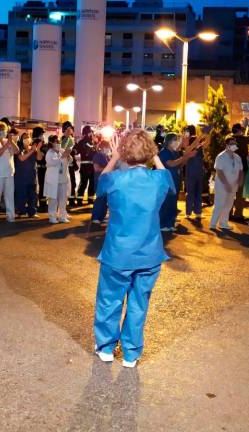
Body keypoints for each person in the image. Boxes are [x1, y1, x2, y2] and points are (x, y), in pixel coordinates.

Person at [93, 129, 174, 368]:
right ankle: (131, 353)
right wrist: (154, 154)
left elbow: (101, 184)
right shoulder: (158, 180)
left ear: (124, 153)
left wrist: (116, 155)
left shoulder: (115, 180)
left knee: (110, 300)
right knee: (139, 303)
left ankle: (106, 348)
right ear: (149, 153)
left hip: (118, 252)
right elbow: (166, 176)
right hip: (149, 254)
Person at [210, 135, 243, 230]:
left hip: (233, 186)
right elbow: (219, 172)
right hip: (222, 186)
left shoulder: (237, 157)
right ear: (227, 145)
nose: (234, 145)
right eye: (232, 144)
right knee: (219, 204)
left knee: (228, 205)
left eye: (235, 143)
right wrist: (226, 184)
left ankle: (223, 223)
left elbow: (240, 170)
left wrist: (240, 180)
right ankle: (213, 224)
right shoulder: (221, 157)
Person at [231, 122, 249, 221]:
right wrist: (248, 126)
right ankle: (238, 214)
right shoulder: (243, 139)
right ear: (239, 131)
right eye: (242, 130)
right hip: (242, 170)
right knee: (240, 193)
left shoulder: (229, 139)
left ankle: (228, 213)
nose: (243, 131)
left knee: (231, 192)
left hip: (231, 170)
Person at [44, 135, 72, 224]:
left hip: (63, 179)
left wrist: (68, 156)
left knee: (63, 199)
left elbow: (70, 160)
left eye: (59, 141)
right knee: (53, 199)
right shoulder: (49, 153)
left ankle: (62, 216)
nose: (58, 143)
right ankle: (52, 217)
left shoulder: (61, 151)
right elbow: (53, 162)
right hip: (53, 180)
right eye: (56, 141)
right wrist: (63, 157)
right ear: (51, 143)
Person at [14, 132, 42, 218]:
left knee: (33, 195)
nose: (26, 139)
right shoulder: (19, 149)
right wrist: (32, 150)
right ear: (21, 140)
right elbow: (22, 158)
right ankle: (21, 211)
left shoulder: (33, 148)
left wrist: (38, 149)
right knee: (21, 195)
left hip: (31, 176)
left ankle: (32, 212)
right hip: (21, 176)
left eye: (28, 137)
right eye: (24, 138)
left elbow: (39, 158)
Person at [183, 125, 204, 219]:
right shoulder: (197, 140)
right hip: (197, 168)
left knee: (191, 191)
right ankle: (197, 211)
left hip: (191, 169)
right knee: (197, 191)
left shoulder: (190, 140)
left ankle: (189, 212)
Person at [74, 125, 97, 206]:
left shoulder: (84, 142)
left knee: (85, 183)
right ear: (88, 133)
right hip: (88, 165)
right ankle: (88, 199)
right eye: (91, 132)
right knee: (89, 182)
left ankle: (81, 199)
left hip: (87, 166)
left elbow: (75, 152)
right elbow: (95, 153)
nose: (92, 134)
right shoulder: (90, 142)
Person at [91, 138, 112, 224]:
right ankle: (95, 217)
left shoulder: (106, 156)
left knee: (104, 199)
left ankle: (101, 216)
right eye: (108, 147)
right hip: (99, 180)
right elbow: (96, 168)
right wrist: (108, 169)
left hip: (105, 181)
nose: (109, 149)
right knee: (100, 198)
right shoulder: (98, 156)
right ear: (104, 147)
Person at [32, 127, 47, 211]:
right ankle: (42, 204)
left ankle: (43, 203)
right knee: (41, 186)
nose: (42, 136)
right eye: (41, 134)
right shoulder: (37, 143)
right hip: (40, 168)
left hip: (43, 168)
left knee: (43, 186)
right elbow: (39, 157)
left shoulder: (41, 143)